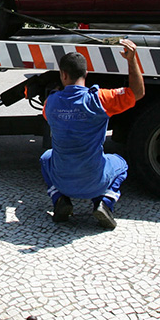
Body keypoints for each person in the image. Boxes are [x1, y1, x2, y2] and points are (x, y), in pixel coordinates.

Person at [40, 40, 145, 229]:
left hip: (62, 182)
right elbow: (137, 93)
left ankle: (59, 199)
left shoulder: (51, 103)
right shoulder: (100, 100)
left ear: (63, 75)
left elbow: (48, 114)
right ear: (86, 74)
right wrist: (131, 60)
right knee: (120, 163)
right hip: (95, 182)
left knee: (46, 157)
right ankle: (105, 201)